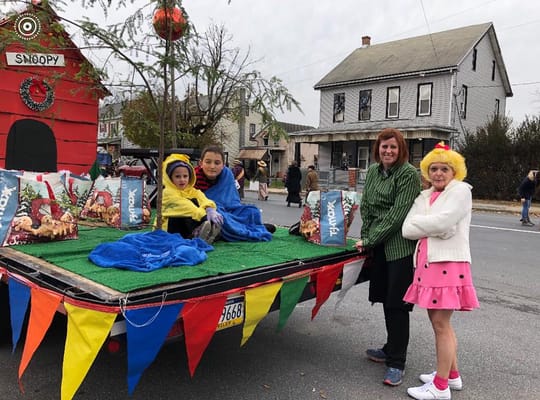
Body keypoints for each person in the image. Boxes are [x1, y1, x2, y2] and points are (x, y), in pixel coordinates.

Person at [402, 142, 479, 400]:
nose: (438, 173)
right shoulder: (425, 196)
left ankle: (441, 386)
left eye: (444, 168)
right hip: (427, 263)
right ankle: (452, 376)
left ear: (454, 170)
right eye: (433, 168)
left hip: (448, 263)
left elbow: (446, 223)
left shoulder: (460, 191)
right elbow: (407, 229)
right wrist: (436, 227)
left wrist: (432, 225)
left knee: (440, 324)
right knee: (439, 323)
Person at [353, 128, 421, 387]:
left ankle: (397, 362)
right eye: (384, 147)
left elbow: (398, 215)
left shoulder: (408, 174)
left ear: (400, 149)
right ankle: (389, 347)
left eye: (393, 147)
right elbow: (367, 205)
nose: (388, 151)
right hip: (378, 244)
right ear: (377, 149)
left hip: (399, 246)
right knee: (384, 297)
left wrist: (371, 238)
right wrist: (366, 235)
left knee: (398, 304)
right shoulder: (372, 171)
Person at [194, 145, 274, 241]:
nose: (212, 166)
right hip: (209, 211)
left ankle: (234, 228)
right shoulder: (192, 178)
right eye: (208, 162)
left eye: (217, 163)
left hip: (229, 210)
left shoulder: (227, 174)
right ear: (201, 163)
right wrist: (210, 208)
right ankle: (227, 229)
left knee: (252, 211)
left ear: (223, 165)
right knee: (219, 216)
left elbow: (233, 202)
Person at [158, 153, 223, 244]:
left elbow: (202, 198)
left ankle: (206, 232)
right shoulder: (167, 193)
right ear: (170, 178)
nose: (182, 180)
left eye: (185, 176)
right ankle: (197, 233)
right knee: (188, 210)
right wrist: (203, 216)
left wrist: (209, 208)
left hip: (189, 223)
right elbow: (185, 206)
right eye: (177, 176)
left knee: (197, 203)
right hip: (169, 229)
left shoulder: (191, 191)